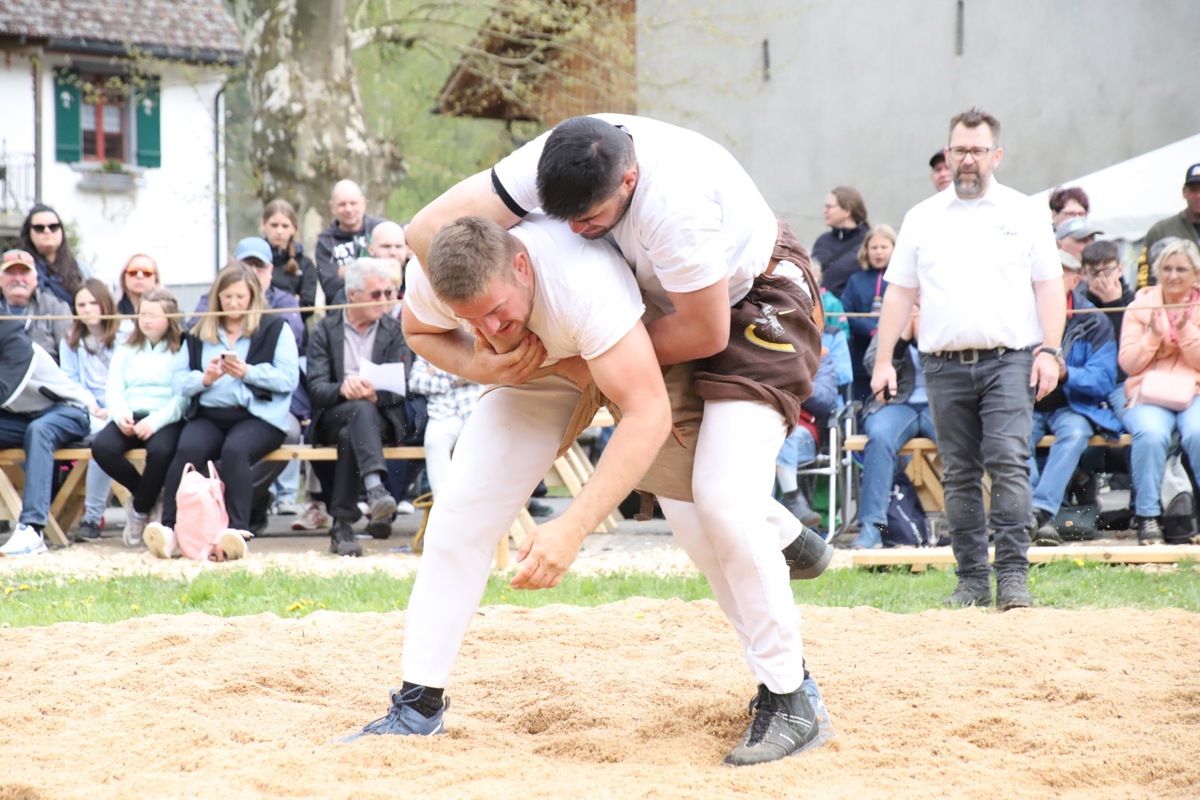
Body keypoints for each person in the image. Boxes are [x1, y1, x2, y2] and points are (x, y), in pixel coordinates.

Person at [406, 113, 833, 766]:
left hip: (746, 302)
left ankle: (790, 694)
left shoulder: (675, 204)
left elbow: (704, 332)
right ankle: (416, 701)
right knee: (469, 506)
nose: (575, 230)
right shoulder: (547, 168)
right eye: (561, 217)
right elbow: (424, 235)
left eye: (592, 219)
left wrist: (592, 360)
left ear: (629, 179)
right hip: (615, 317)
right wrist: (490, 350)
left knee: (717, 505)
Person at [343, 214, 672, 745]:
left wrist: (573, 526)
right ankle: (418, 705)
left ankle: (779, 541)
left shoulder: (583, 280)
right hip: (534, 371)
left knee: (707, 507)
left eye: (497, 311)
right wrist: (483, 366)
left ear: (521, 264)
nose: (490, 329)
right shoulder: (432, 279)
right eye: (473, 320)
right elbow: (417, 330)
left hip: (629, 349)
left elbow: (647, 411)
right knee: (456, 523)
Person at [871, 108, 1064, 611]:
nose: (968, 160)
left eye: (978, 151)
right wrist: (884, 360)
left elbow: (1049, 285)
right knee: (957, 472)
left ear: (996, 155)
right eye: (960, 150)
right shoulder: (921, 217)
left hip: (1011, 360)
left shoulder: (1025, 213)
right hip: (941, 365)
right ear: (949, 154)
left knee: (1008, 462)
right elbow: (898, 294)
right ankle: (973, 580)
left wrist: (1050, 349)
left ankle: (1014, 578)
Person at [145, 263, 299, 547]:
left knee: (235, 451)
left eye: (240, 297)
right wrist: (205, 379)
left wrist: (248, 372)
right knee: (187, 450)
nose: (233, 303)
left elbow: (289, 378)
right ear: (217, 296)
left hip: (258, 416)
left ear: (253, 296)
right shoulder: (198, 331)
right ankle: (169, 527)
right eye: (227, 297)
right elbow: (178, 382)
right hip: (210, 413)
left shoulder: (276, 328)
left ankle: (235, 531)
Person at [306, 258, 407, 557]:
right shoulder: (325, 330)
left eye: (388, 293)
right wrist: (342, 388)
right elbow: (315, 387)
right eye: (376, 294)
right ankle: (375, 489)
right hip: (333, 415)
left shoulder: (395, 330)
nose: (385, 300)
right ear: (353, 296)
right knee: (355, 412)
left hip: (380, 416)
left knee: (358, 420)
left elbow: (404, 387)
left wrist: (376, 395)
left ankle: (342, 526)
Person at [1028, 250, 1122, 546]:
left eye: (1060, 274)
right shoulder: (1017, 316)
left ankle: (1039, 511)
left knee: (1077, 432)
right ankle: (1030, 515)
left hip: (1072, 404)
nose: (1048, 281)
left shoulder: (1093, 321)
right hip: (1024, 404)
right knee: (1011, 437)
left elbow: (1104, 379)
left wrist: (1067, 374)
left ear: (1075, 279)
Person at [91, 288, 190, 551]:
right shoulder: (126, 348)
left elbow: (183, 396)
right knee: (102, 448)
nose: (145, 320)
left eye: (153, 315)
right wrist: (120, 413)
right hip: (131, 412)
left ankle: (138, 512)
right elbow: (113, 387)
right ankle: (147, 494)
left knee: (161, 451)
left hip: (165, 416)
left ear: (169, 317)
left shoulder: (183, 347)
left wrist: (155, 422)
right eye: (142, 314)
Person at [1118, 239, 1200, 545]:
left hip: (1194, 392)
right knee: (1151, 435)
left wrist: (1187, 331)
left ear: (1196, 273)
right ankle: (1147, 516)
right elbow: (1128, 363)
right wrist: (1153, 336)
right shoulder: (1140, 306)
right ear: (1156, 272)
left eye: (1181, 269)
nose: (1174, 275)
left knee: (1197, 432)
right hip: (1149, 392)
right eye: (1167, 268)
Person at [0, 319, 91, 556]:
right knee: (36, 428)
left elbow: (3, 391)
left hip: (68, 411)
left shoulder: (14, 340)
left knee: (40, 430)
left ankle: (32, 529)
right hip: (24, 418)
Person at [856, 303, 937, 549]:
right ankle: (872, 529)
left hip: (940, 405)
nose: (916, 306)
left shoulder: (949, 317)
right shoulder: (892, 319)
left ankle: (969, 526)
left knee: (963, 441)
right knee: (879, 438)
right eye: (912, 301)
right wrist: (901, 341)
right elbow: (872, 365)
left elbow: (957, 371)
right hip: (895, 405)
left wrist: (925, 340)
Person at [59, 279, 121, 541]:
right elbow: (69, 380)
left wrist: (114, 407)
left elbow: (128, 377)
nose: (87, 309)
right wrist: (92, 406)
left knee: (103, 445)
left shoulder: (125, 334)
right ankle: (91, 518)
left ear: (104, 303)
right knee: (99, 443)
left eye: (93, 302)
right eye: (81, 304)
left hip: (121, 407)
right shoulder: (70, 339)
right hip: (88, 410)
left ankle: (93, 516)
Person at [774, 349, 838, 529]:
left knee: (780, 430)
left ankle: (779, 508)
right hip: (761, 428)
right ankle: (792, 498)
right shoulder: (762, 350)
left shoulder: (820, 354)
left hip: (802, 433)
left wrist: (794, 379)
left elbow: (826, 400)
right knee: (768, 436)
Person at [407, 354, 481, 496]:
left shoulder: (475, 334)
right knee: (434, 442)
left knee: (483, 444)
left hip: (476, 409)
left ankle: (481, 503)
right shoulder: (429, 341)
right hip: (443, 412)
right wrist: (456, 379)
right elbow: (415, 382)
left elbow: (483, 372)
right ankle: (444, 504)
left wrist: (438, 370)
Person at [841, 224, 897, 402]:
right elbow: (847, 314)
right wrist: (872, 331)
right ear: (866, 250)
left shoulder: (900, 280)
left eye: (884, 247)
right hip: (861, 354)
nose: (878, 252)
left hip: (896, 357)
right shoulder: (856, 280)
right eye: (874, 247)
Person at [1081, 239, 1136, 414]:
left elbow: (1127, 346)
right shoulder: (1079, 303)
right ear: (1084, 274)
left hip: (1124, 380)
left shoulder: (1135, 301)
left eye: (1108, 271)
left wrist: (1114, 304)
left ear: (1120, 270)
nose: (1102, 279)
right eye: (1095, 273)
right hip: (1088, 382)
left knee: (1131, 417)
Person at [315, 180, 384, 301]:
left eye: (353, 203)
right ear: (332, 207)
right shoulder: (325, 241)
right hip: (342, 312)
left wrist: (349, 272)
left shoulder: (380, 229)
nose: (348, 209)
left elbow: (393, 272)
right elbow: (331, 289)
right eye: (342, 204)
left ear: (363, 203)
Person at [0, 248, 72, 360]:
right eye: (11, 273)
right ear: (1, 279)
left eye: (24, 273)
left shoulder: (56, 307)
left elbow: (70, 355)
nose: (18, 279)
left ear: (35, 278)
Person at [1137, 164, 1200, 288]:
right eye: (1193, 190)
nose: (1198, 196)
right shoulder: (1160, 231)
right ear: (1184, 192)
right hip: (1169, 304)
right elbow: (1144, 279)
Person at [17, 204, 90, 306]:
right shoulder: (18, 270)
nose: (47, 231)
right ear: (28, 233)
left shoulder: (82, 270)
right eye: (39, 228)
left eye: (53, 227)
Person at [261, 199, 318, 320]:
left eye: (285, 226)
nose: (279, 231)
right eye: (274, 225)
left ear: (294, 229)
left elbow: (308, 305)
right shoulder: (254, 262)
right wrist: (292, 300)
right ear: (263, 225)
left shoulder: (304, 263)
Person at [812, 186, 870, 299]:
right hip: (824, 310)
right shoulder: (822, 241)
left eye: (829, 207)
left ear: (847, 210)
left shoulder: (870, 241)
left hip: (854, 313)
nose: (825, 211)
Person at [115, 254, 162, 323]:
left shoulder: (171, 314)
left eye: (147, 272)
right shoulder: (111, 313)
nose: (139, 276)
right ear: (123, 278)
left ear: (156, 279)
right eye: (133, 271)